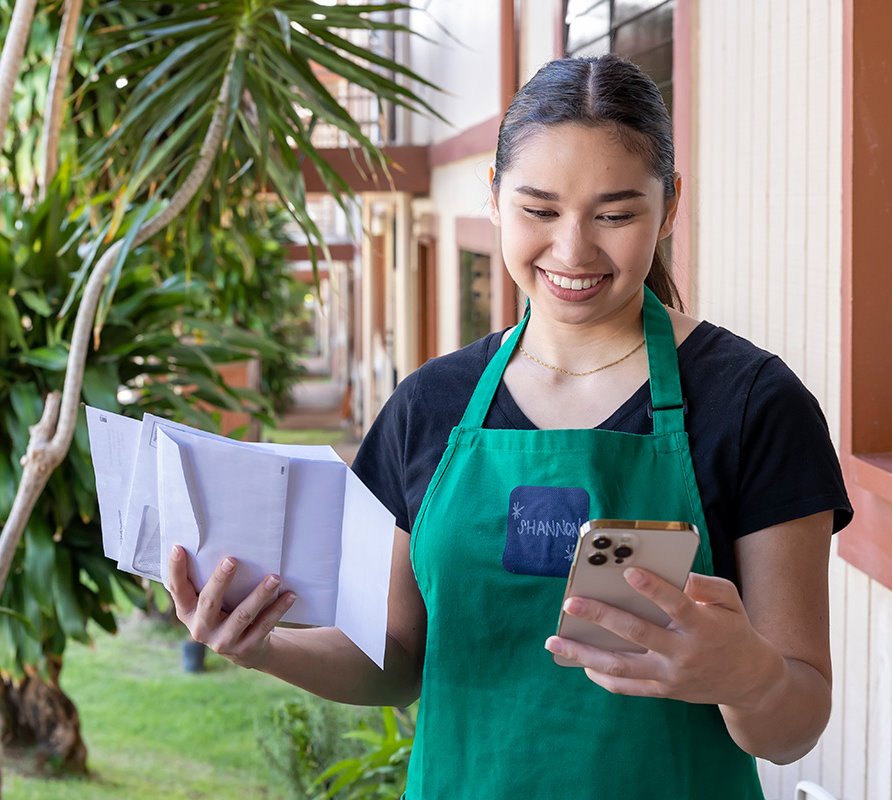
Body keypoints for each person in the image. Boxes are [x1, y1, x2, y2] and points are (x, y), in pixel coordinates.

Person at [168, 54, 852, 799]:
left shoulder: (753, 404)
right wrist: (263, 647)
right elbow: (396, 657)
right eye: (539, 210)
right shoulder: (430, 405)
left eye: (615, 215)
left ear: (669, 207)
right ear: (493, 197)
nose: (573, 249)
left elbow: (796, 724)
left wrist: (746, 678)